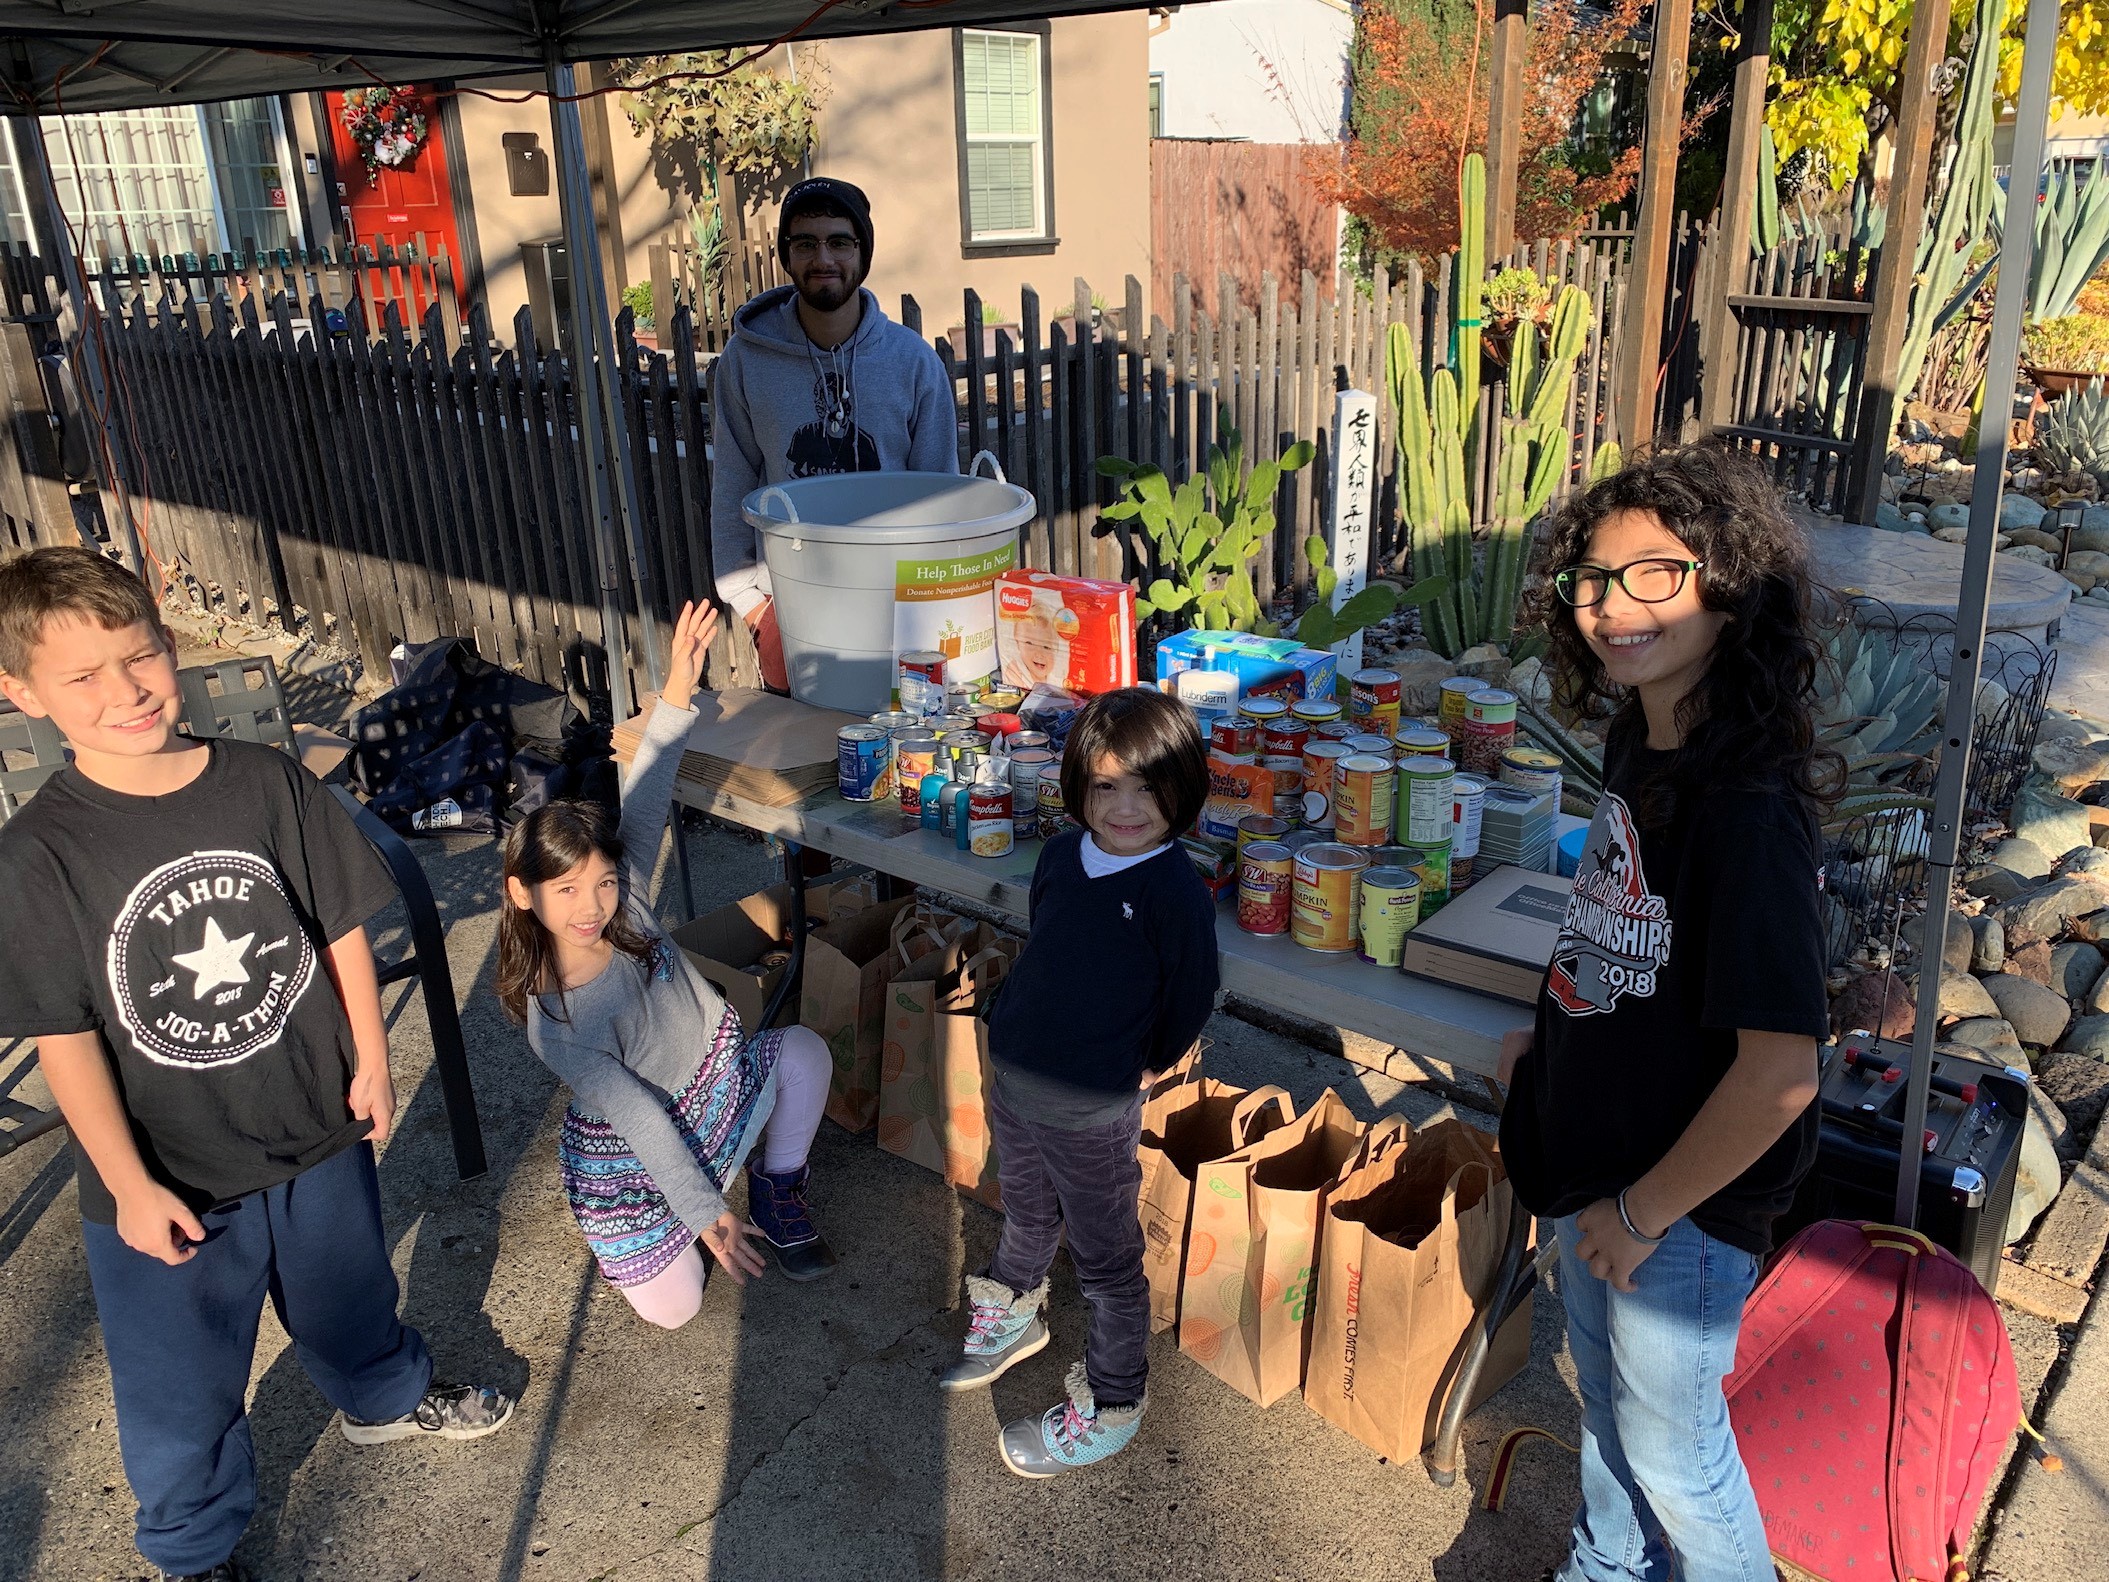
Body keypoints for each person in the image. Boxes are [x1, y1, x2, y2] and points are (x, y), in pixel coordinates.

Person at [0, 547, 514, 1582]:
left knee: (351, 1297)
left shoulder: (265, 782)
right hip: (168, 1174)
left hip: (313, 1123)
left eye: (138, 654)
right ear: (20, 693)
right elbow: (63, 1033)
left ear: (170, 643)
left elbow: (337, 931)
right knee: (180, 1387)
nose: (125, 690)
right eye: (83, 675)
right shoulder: (37, 855)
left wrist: (372, 1058)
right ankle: (194, 1549)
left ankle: (381, 1398)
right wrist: (128, 1182)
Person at [1498, 445, 1835, 1582]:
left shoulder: (1747, 806)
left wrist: (1642, 1215)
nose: (1611, 605)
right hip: (1605, 1167)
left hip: (1675, 1208)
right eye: (1592, 579)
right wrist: (1547, 1057)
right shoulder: (1646, 736)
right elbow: (1627, 937)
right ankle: (1605, 1563)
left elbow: (1781, 1071)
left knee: (1678, 1455)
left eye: (1656, 572)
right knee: (1610, 1411)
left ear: (1732, 587)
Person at [498, 599, 839, 1325]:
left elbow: (646, 798)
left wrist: (680, 687)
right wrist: (706, 1214)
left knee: (804, 1052)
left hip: (715, 1093)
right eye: (565, 890)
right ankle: (650, 1222)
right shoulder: (556, 1021)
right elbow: (642, 1122)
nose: (591, 906)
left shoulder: (626, 910)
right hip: (632, 1154)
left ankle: (776, 1190)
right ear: (522, 895)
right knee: (676, 1310)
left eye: (603, 881)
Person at [938, 687, 1219, 1477]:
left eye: (1146, 788)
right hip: (1016, 1075)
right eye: (1104, 786)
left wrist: (1145, 1060)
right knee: (1023, 1206)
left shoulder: (1175, 892)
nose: (1125, 807)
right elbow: (1047, 940)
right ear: (1077, 787)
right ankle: (1014, 1312)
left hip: (1092, 1105)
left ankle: (1113, 1399)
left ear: (1181, 791)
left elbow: (1190, 993)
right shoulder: (1061, 855)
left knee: (1106, 1263)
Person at [709, 176, 959, 693]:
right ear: (787, 255)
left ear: (863, 252)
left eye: (839, 242)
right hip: (794, 614)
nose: (823, 258)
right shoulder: (746, 362)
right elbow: (733, 480)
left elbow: (942, 501)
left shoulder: (913, 363)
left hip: (900, 617)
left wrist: (934, 609)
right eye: (805, 243)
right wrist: (754, 609)